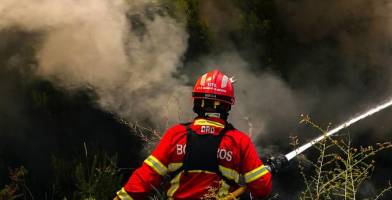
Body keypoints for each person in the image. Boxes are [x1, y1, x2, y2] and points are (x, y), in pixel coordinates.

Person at [115, 70, 286, 199]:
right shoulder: (239, 141)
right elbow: (262, 189)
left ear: (196, 102)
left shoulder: (176, 136)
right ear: (228, 105)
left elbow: (144, 179)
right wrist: (267, 171)